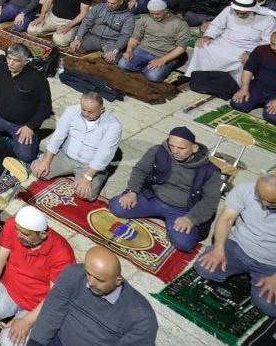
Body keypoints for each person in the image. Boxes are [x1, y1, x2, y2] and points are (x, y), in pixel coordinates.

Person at [0, 205, 75, 346]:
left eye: (25, 234)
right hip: (9, 289)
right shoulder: (13, 225)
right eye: (17, 230)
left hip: (36, 305)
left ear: (42, 235)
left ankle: (24, 320)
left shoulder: (62, 253)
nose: (19, 235)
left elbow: (54, 296)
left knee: (11, 345)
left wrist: (27, 321)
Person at [108, 127, 221, 252]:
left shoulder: (209, 171)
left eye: (181, 148)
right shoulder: (158, 151)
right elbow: (140, 170)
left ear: (194, 148)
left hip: (182, 210)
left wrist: (191, 219)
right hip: (153, 198)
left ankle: (173, 227)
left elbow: (210, 201)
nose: (175, 151)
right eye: (172, 146)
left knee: (183, 243)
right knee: (116, 207)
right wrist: (132, 191)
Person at [26, 245, 157, 346]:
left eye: (100, 280)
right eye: (88, 273)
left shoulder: (142, 316)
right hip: (58, 343)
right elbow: (52, 311)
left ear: (118, 280)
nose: (91, 283)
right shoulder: (73, 274)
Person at [193, 173, 276, 318]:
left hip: (271, 264)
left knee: (269, 306)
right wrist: (218, 249)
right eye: (260, 196)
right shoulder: (245, 190)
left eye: (271, 202)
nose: (264, 203)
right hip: (237, 246)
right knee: (204, 268)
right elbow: (226, 219)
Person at [20, 92, 122, 202]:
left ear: (102, 109)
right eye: (83, 109)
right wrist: (46, 161)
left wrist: (88, 177)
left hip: (89, 165)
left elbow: (104, 154)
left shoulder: (113, 126)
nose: (86, 114)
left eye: (90, 112)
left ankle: (99, 175)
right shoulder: (72, 111)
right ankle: (70, 173)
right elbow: (58, 136)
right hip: (66, 155)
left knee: (86, 194)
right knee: (38, 170)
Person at [0, 43, 52, 163]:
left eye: (16, 61)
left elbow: (45, 107)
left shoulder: (38, 79)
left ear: (25, 62)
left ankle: (34, 135)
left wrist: (31, 126)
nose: (11, 63)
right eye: (9, 58)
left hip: (22, 124)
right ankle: (4, 133)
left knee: (26, 156)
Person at [185, 0, 276, 98]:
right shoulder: (228, 10)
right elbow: (217, 25)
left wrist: (251, 53)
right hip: (224, 42)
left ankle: (235, 85)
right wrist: (208, 36)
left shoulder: (268, 20)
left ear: (252, 11)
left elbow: (267, 42)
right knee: (201, 45)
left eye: (243, 13)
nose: (239, 15)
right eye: (237, 12)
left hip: (246, 48)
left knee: (246, 60)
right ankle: (196, 75)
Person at [117, 0, 193, 82]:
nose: (154, 16)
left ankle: (153, 68)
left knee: (153, 77)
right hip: (143, 50)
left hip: (164, 54)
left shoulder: (180, 24)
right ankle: (147, 68)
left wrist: (163, 60)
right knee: (122, 65)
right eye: (151, 13)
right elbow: (135, 38)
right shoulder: (144, 19)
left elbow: (181, 47)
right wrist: (129, 50)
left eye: (157, 14)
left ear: (166, 11)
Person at [66, 0, 136, 64]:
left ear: (121, 2)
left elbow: (125, 35)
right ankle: (97, 53)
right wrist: (78, 39)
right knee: (74, 48)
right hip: (93, 36)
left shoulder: (129, 17)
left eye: (113, 3)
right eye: (108, 2)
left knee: (112, 60)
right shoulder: (99, 7)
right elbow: (86, 22)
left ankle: (103, 54)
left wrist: (114, 50)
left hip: (111, 41)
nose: (109, 5)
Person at [232, 30, 276, 123]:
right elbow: (248, 70)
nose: (273, 47)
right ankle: (261, 102)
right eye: (272, 43)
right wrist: (244, 88)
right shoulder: (261, 50)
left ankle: (266, 104)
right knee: (237, 103)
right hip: (258, 87)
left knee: (272, 117)